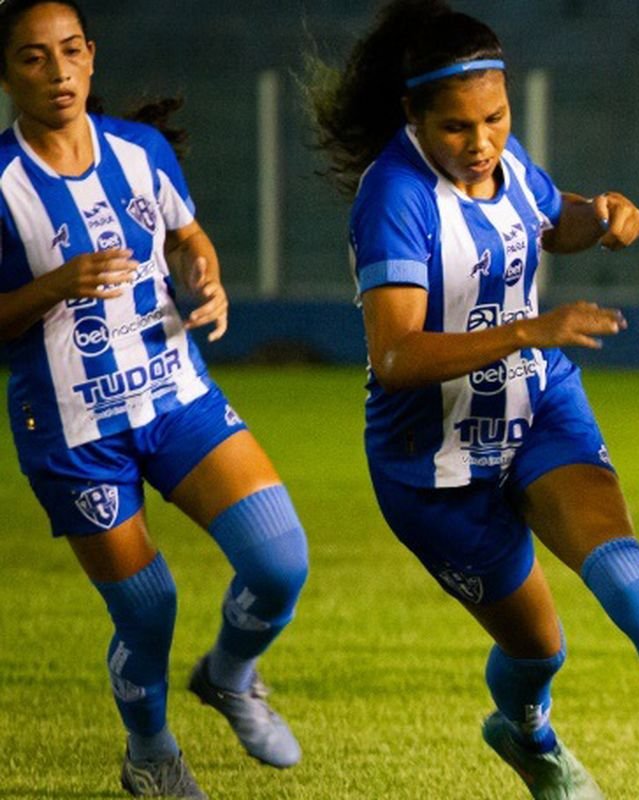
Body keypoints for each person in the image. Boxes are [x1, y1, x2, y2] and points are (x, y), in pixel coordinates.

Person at [308, 1, 639, 795]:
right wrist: (527, 330)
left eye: (497, 118)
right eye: (458, 128)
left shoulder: (504, 163)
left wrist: (602, 215)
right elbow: (398, 353)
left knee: (634, 589)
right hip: (434, 466)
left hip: (539, 412)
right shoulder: (395, 200)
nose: (482, 144)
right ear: (412, 115)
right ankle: (531, 736)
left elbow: (551, 217)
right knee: (538, 651)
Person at [0, 1, 309, 797]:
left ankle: (231, 676)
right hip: (73, 431)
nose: (59, 70)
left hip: (175, 394)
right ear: (7, 74)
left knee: (279, 563)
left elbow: (185, 234)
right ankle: (151, 753)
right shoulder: (1, 184)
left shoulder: (139, 151)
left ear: (93, 58)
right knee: (148, 611)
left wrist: (206, 274)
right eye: (34, 57)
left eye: (71, 51)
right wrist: (53, 288)